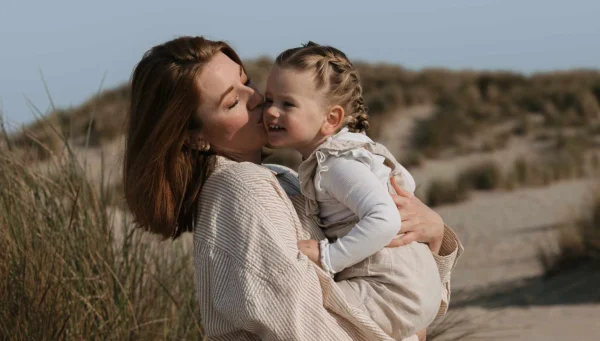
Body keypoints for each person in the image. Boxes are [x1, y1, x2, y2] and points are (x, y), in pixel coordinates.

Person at [123, 36, 463, 341]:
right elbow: (302, 328)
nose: (257, 99)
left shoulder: (280, 177)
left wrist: (433, 233)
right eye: (232, 103)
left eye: (246, 82)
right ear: (193, 136)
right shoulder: (241, 188)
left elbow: (397, 293)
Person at [263, 42, 442, 339]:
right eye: (269, 100)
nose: (270, 112)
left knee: (303, 314)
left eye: (287, 104)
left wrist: (328, 256)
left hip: (389, 289)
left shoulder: (337, 165)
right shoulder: (351, 154)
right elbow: (404, 184)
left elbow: (385, 218)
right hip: (410, 285)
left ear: (330, 119)